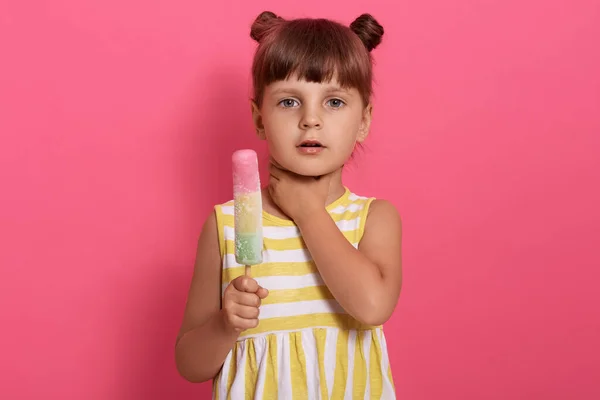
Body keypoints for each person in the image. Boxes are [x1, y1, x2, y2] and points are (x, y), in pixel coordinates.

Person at [175, 10, 403, 399]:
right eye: (288, 102)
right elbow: (189, 363)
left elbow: (372, 306)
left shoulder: (373, 218)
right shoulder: (226, 226)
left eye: (333, 102)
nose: (310, 119)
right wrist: (225, 325)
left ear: (363, 120)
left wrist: (308, 211)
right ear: (259, 119)